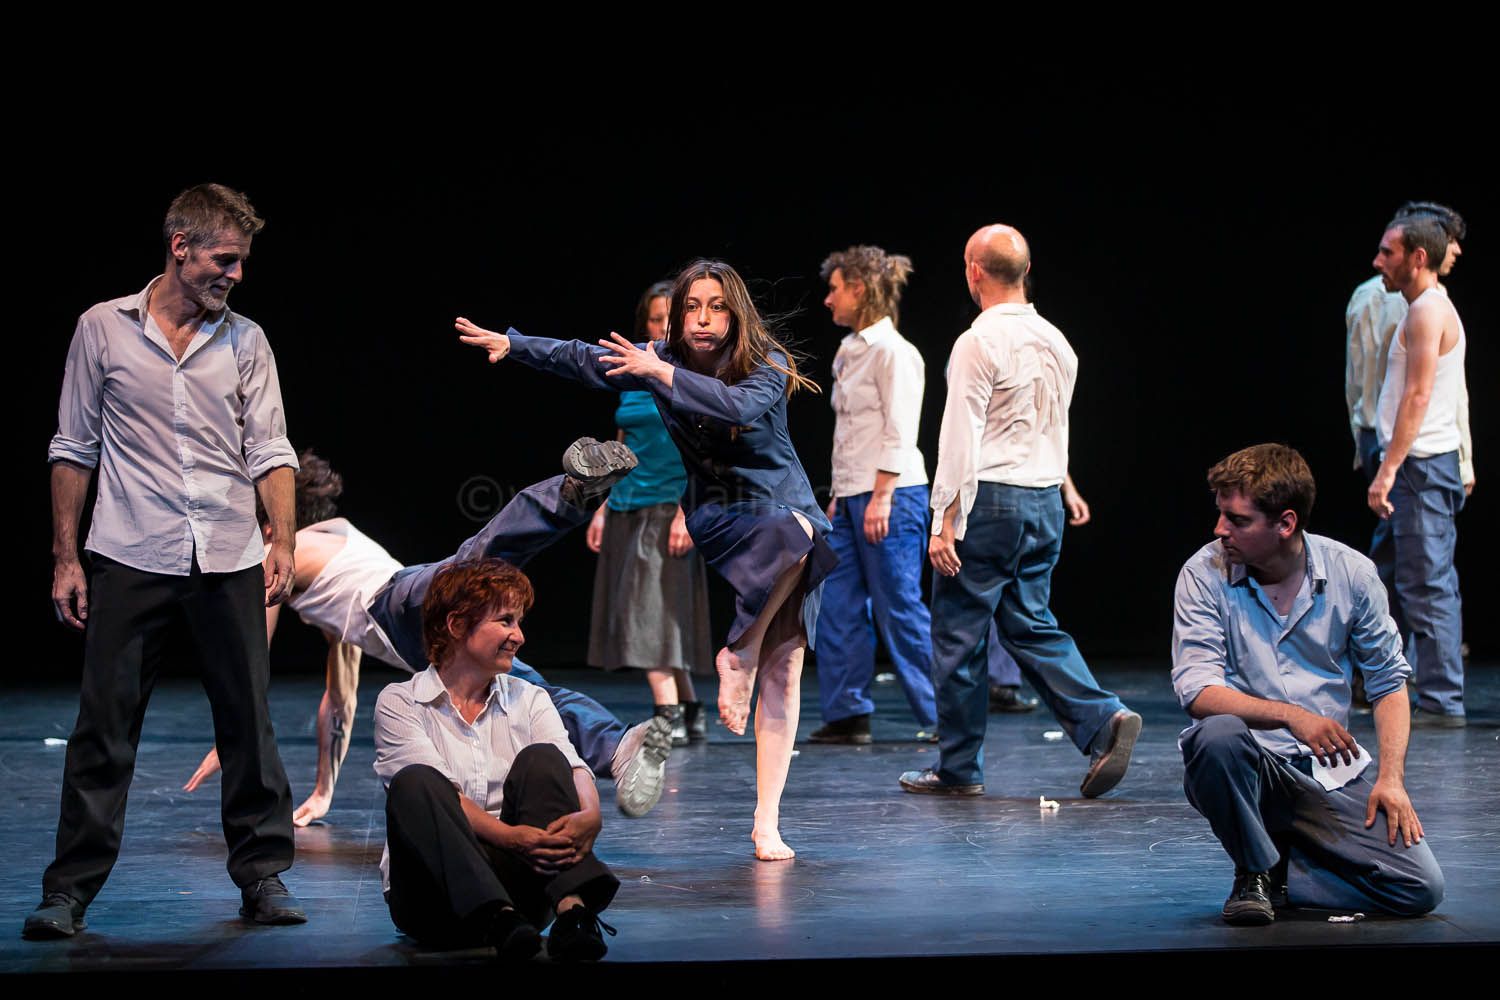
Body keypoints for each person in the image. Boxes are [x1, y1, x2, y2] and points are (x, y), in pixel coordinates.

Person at [456, 258, 836, 861]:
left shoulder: (765, 362)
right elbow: (583, 357)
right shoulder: (657, 357)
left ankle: (766, 820)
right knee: (798, 541)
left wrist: (660, 372)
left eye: (717, 307)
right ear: (679, 314)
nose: (704, 319)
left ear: (736, 314)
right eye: (693, 307)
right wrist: (515, 343)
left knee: (787, 660)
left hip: (781, 506)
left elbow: (734, 408)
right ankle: (740, 653)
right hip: (721, 512)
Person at [28, 184, 305, 939]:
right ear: (180, 247)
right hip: (130, 550)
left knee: (247, 722)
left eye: (241, 262)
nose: (236, 275)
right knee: (104, 726)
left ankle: (263, 874)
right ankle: (68, 891)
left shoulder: (247, 340)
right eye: (225, 259)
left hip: (227, 552)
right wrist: (65, 557)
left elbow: (271, 449)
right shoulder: (102, 328)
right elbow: (73, 446)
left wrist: (282, 540)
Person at [181, 441, 676, 822]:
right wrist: (323, 793)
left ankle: (568, 492)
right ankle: (619, 747)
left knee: (478, 559)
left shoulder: (286, 553)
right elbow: (340, 699)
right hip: (423, 637)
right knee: (525, 691)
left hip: (402, 601)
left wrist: (235, 731)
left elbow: (254, 647)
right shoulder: (329, 569)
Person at [901, 224, 1140, 798]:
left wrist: (943, 522)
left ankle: (959, 769)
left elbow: (959, 436)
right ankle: (1103, 719)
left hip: (990, 501)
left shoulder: (977, 341)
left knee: (958, 635)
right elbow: (1055, 431)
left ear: (973, 271)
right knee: (1029, 624)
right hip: (1042, 500)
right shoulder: (1058, 341)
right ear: (1026, 272)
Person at [1173, 443, 1443, 925]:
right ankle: (1253, 870)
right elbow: (1198, 691)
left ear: (1285, 523)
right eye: (1221, 514)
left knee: (1419, 888)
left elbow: (1388, 682)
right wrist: (1292, 716)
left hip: (1327, 771)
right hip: (1251, 768)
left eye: (1237, 520)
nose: (1220, 530)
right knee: (1216, 737)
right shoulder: (1204, 574)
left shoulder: (1351, 574)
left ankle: (1283, 876)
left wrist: (1391, 779)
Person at [375, 558, 619, 961]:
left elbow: (571, 764)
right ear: (457, 625)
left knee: (543, 758)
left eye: (519, 622)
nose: (518, 636)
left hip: (522, 892)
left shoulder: (529, 698)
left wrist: (591, 813)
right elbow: (440, 795)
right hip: (433, 897)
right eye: (505, 621)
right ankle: (495, 917)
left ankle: (573, 913)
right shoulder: (401, 702)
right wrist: (510, 837)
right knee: (416, 782)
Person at [810, 245, 937, 744]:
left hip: (893, 494)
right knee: (838, 604)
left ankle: (944, 717)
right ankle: (847, 714)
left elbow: (901, 429)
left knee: (898, 607)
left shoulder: (894, 352)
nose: (828, 299)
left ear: (859, 290)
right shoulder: (849, 350)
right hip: (851, 496)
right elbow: (850, 432)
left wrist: (881, 496)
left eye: (835, 289)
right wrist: (841, 495)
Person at [585, 282, 714, 745]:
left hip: (668, 506)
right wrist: (604, 504)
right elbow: (623, 444)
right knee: (654, 614)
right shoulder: (634, 371)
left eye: (670, 319)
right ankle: (690, 708)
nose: (662, 328)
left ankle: (667, 713)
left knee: (651, 614)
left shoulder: (692, 377)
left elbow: (704, 455)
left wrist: (687, 513)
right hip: (627, 505)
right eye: (655, 319)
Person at [1366, 210, 1472, 726]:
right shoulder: (1421, 308)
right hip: (1418, 467)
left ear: (1418, 257)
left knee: (1428, 586)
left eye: (1388, 252)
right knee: (1391, 579)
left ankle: (1441, 700)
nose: (1378, 261)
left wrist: (1387, 470)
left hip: (1421, 468)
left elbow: (1419, 396)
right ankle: (1398, 683)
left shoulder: (1428, 311)